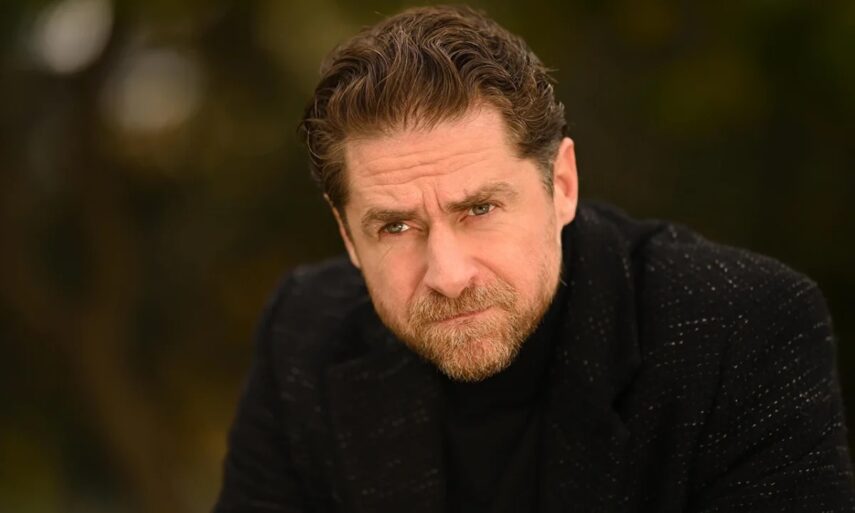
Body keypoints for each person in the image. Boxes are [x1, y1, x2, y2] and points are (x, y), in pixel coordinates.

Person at [213, 5, 855, 512]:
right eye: (396, 226)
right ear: (348, 236)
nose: (448, 275)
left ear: (562, 185)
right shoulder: (303, 334)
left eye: (480, 209)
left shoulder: (740, 329)